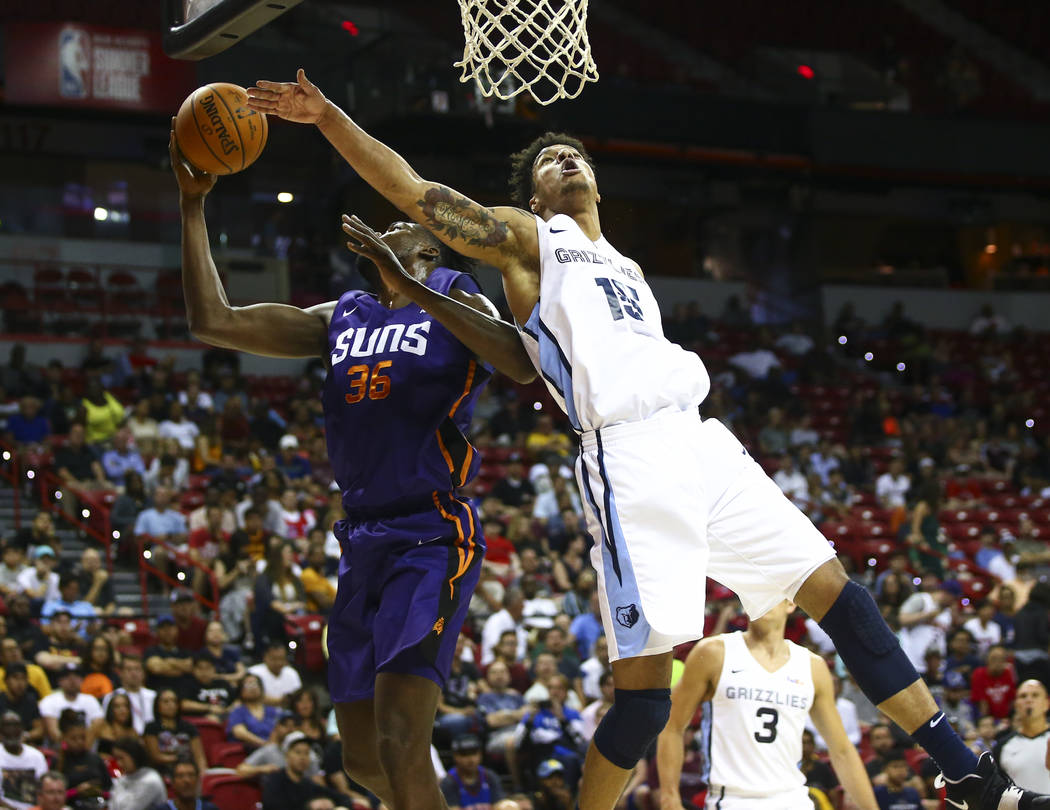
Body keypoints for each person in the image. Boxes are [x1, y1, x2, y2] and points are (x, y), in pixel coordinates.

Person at [246, 71, 1050, 809]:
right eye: (546, 162)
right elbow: (417, 194)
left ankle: (963, 772)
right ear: (532, 196)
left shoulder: (623, 260)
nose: (563, 161)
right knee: (642, 701)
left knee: (834, 587)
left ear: (597, 179)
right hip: (626, 456)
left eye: (572, 154)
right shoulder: (531, 243)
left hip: (701, 440)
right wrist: (327, 119)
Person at [171, 115, 534, 810]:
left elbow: (518, 362)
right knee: (365, 759)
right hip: (360, 539)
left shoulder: (458, 297)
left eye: (406, 221)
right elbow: (212, 321)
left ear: (432, 245)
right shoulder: (346, 313)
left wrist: (414, 282)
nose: (393, 221)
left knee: (402, 741)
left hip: (431, 535)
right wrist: (193, 205)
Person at [656, 600, 877, 810]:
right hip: (732, 800)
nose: (760, 598)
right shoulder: (715, 652)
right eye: (753, 591)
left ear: (791, 603)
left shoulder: (812, 666)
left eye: (769, 591)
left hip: (794, 799)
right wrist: (669, 797)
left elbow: (842, 751)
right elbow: (672, 726)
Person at [260, 732, 347, 810]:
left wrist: (328, 803)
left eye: (306, 753)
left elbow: (343, 799)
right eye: (298, 752)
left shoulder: (309, 784)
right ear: (287, 756)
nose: (303, 757)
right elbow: (272, 805)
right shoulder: (274, 780)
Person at [993, 680, 1050, 793]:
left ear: (1047, 703)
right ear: (1016, 705)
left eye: (1035, 695)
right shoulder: (1002, 746)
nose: (1029, 700)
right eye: (1023, 696)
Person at [440, 734, 516, 810]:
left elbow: (499, 805)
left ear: (480, 754)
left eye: (474, 753)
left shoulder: (489, 776)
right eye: (464, 754)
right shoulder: (449, 782)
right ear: (455, 756)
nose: (471, 759)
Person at [143, 688, 207, 777]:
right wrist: (178, 758)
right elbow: (155, 756)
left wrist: (202, 773)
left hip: (188, 770)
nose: (171, 705)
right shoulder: (151, 728)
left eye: (174, 701)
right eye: (166, 701)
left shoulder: (189, 727)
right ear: (157, 705)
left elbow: (199, 757)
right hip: (162, 772)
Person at [38, 664, 103, 744]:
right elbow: (53, 732)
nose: (72, 680)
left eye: (76, 676)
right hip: (58, 749)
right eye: (67, 677)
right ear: (60, 681)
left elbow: (97, 726)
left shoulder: (90, 700)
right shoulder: (49, 701)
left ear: (82, 680)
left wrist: (82, 745)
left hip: (86, 747)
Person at [0, 711, 48, 810]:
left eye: (16, 725)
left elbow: (44, 789)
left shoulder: (36, 756)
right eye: (7, 726)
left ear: (22, 729)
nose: (12, 730)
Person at [109, 735, 167, 810]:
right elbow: (112, 806)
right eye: (116, 759)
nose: (119, 763)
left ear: (133, 755)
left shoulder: (151, 780)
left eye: (121, 758)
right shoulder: (123, 779)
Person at [103, 654, 156, 735]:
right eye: (129, 669)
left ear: (143, 673)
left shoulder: (153, 696)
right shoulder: (112, 696)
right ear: (120, 673)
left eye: (137, 669)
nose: (133, 673)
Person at [150, 758, 219, 810]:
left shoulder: (209, 808)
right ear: (173, 782)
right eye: (180, 776)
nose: (187, 780)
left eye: (191, 775)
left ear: (198, 781)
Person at [0, 664, 44, 745]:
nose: (20, 683)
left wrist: (26, 736)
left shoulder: (30, 701)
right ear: (6, 680)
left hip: (24, 744)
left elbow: (39, 730)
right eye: (15, 678)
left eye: (23, 679)